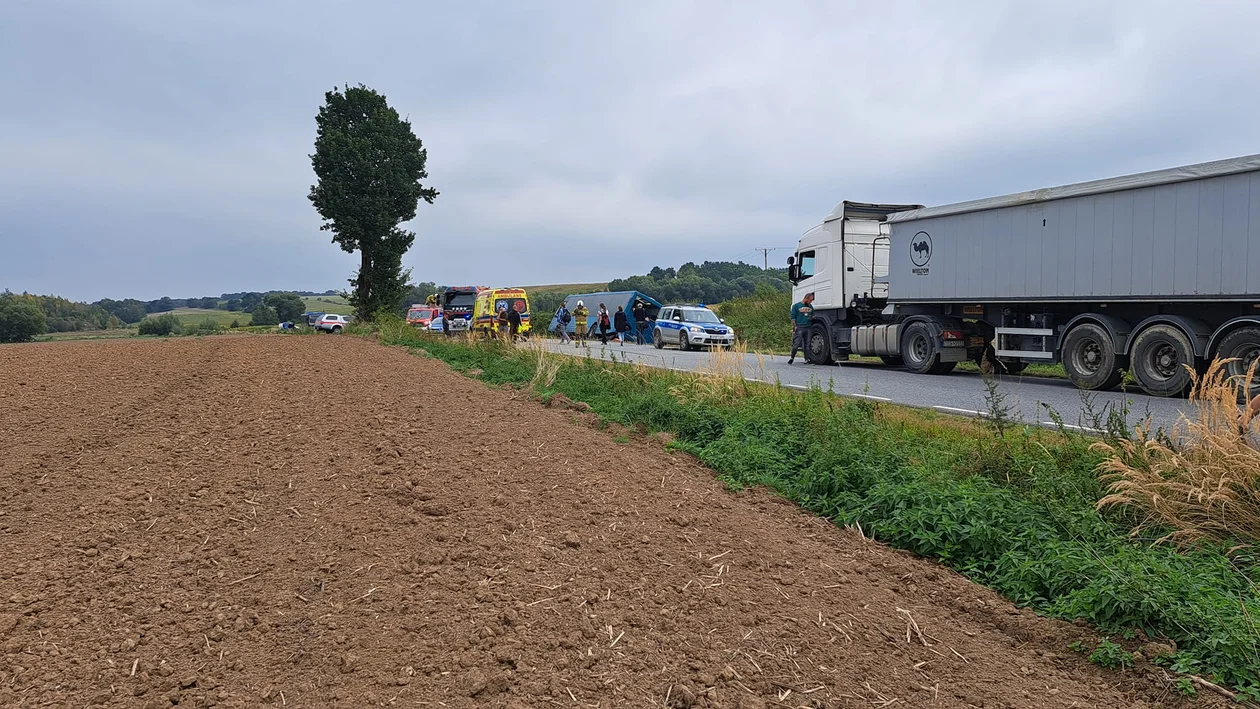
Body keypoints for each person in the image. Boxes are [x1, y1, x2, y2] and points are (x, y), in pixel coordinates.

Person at [788, 292, 815, 364]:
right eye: (809, 300)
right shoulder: (796, 306)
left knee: (807, 344)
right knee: (796, 344)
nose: (810, 302)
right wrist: (794, 327)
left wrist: (812, 317)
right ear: (806, 298)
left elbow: (812, 314)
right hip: (800, 327)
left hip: (808, 327)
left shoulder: (810, 306)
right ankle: (792, 357)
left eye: (811, 301)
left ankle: (807, 359)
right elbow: (793, 317)